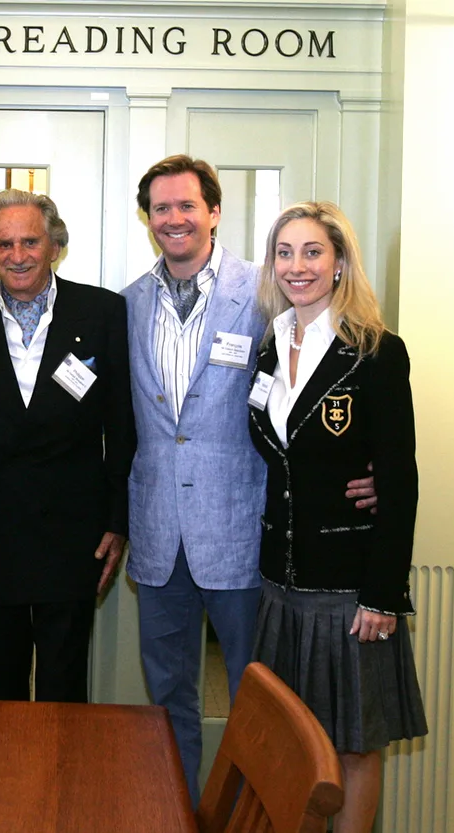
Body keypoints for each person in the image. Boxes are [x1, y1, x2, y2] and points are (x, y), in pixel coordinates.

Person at [121, 155, 376, 804]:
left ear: (213, 211)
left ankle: (248, 816)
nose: (173, 218)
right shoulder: (127, 304)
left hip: (239, 531)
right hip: (157, 538)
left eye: (186, 205)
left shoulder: (265, 289)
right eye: (161, 207)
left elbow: (333, 377)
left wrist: (368, 463)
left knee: (255, 697)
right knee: (168, 693)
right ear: (147, 217)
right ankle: (180, 812)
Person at [249, 201, 426, 832]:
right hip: (280, 584)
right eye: (285, 253)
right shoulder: (270, 347)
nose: (297, 266)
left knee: (353, 744)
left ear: (340, 262)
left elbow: (398, 480)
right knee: (294, 744)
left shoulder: (376, 352)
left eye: (312, 251)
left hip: (352, 591)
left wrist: (382, 592)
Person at [0, 190, 133, 703]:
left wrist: (118, 520)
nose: (17, 255)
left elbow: (121, 425)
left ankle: (60, 784)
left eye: (30, 241)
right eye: (3, 244)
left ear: (54, 245)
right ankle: (0, 784)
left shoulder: (101, 312)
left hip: (74, 537)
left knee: (63, 685)